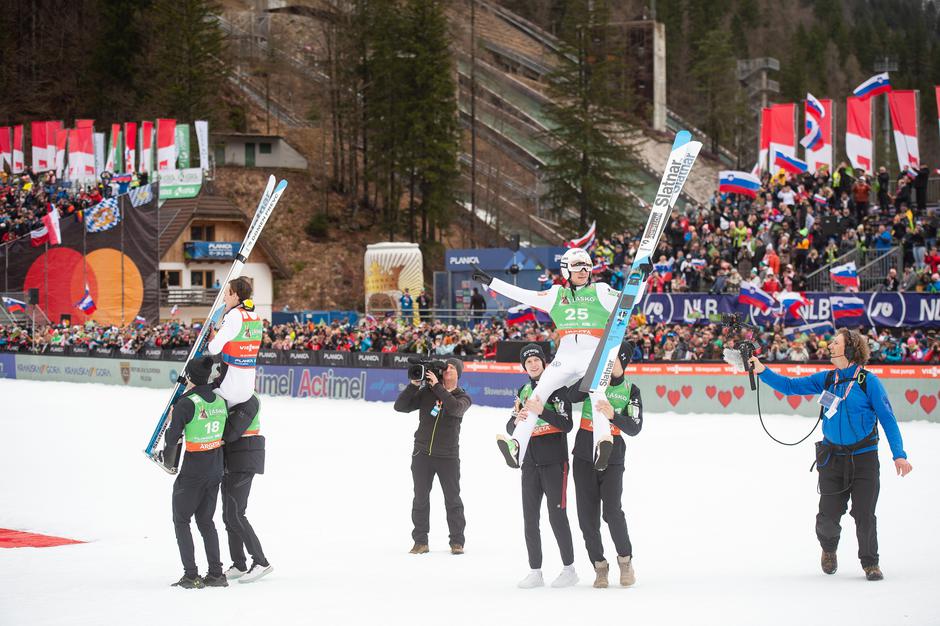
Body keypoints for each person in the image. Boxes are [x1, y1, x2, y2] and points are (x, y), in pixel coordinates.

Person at [745, 329, 912, 581]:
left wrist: (899, 454)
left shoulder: (868, 381)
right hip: (832, 458)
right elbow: (790, 387)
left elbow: (888, 419)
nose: (830, 345)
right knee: (827, 517)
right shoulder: (827, 379)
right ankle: (829, 549)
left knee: (864, 514)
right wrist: (762, 370)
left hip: (865, 458)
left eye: (836, 342)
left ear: (851, 349)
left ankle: (870, 563)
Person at [473, 247, 621, 471]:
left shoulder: (601, 290)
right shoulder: (556, 295)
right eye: (577, 266)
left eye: (586, 267)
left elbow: (631, 299)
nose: (583, 271)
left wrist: (644, 278)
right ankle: (517, 446)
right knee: (537, 395)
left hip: (592, 353)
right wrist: (492, 282)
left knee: (596, 392)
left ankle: (602, 442)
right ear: (566, 271)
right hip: (566, 355)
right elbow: (523, 294)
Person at [567, 340, 642, 588]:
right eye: (606, 360)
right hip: (584, 453)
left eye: (614, 360)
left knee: (611, 512)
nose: (610, 364)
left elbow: (634, 427)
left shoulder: (631, 390)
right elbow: (570, 396)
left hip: (613, 455)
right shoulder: (595, 382)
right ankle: (600, 566)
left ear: (623, 362)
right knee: (586, 518)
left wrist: (613, 415)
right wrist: (591, 376)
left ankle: (625, 561)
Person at [508, 344, 577, 589]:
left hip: (555, 462)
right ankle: (535, 571)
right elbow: (511, 428)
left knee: (557, 517)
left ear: (545, 363)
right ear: (524, 367)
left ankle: (569, 569)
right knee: (530, 519)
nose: (533, 364)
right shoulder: (524, 390)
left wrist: (542, 412)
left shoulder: (558, 390)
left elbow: (567, 424)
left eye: (537, 360)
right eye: (529, 362)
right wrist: (515, 419)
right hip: (530, 463)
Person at [160, 357, 232, 589]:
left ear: (189, 378)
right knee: (206, 521)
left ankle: (191, 575)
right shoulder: (220, 401)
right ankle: (216, 574)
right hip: (215, 469)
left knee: (181, 520)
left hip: (193, 471)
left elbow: (172, 439)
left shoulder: (186, 403)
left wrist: (174, 419)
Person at [394, 358, 472, 555]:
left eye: (452, 367)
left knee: (453, 500)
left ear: (459, 374)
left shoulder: (463, 397)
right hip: (422, 454)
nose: (447, 369)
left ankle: (457, 542)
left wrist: (437, 386)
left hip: (448, 457)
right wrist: (413, 386)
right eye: (446, 367)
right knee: (420, 499)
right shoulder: (428, 392)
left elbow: (453, 408)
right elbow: (400, 406)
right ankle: (420, 542)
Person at [221, 393, 272, 584]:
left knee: (236, 513)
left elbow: (231, 433)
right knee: (228, 515)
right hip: (232, 459)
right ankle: (239, 563)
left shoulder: (249, 400)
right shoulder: (232, 397)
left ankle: (261, 561)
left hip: (245, 459)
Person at [207, 278, 262, 407]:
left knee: (192, 393)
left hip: (228, 389)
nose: (224, 298)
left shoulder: (233, 315)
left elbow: (213, 349)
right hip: (248, 390)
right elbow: (239, 340)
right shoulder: (256, 317)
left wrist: (212, 338)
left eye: (226, 293)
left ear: (235, 295)